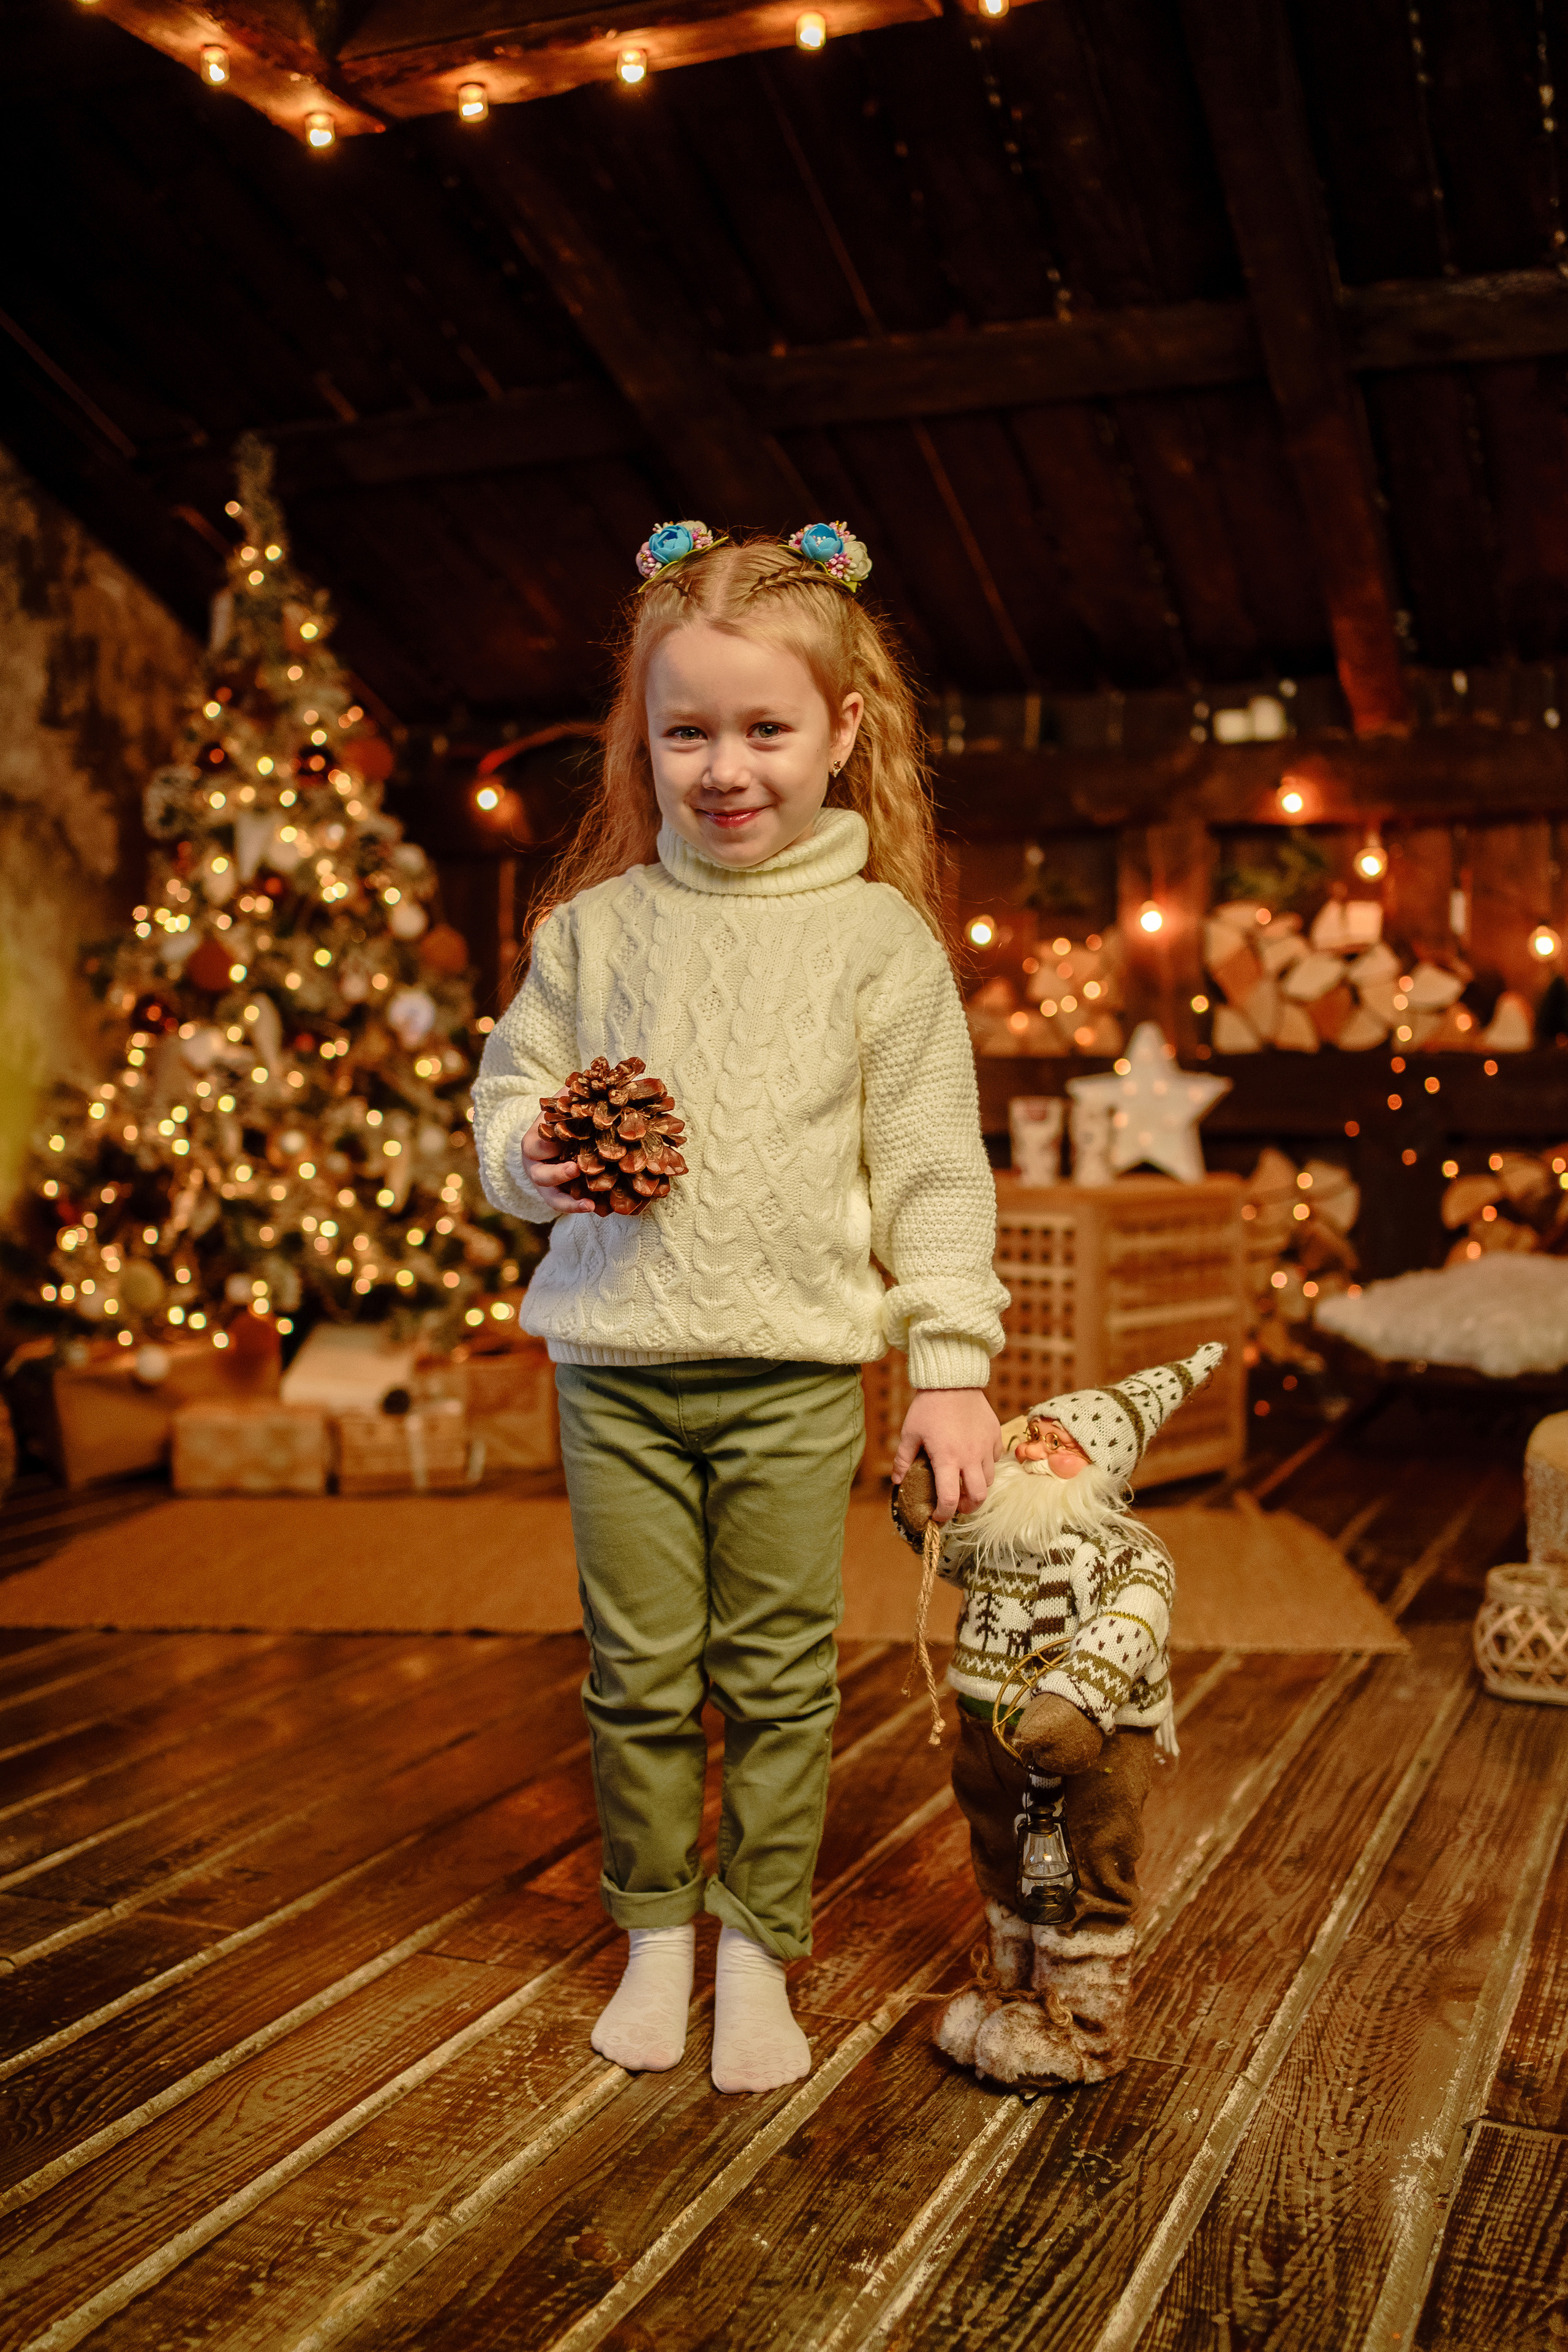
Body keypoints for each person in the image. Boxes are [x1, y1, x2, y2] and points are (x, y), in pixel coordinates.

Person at [472, 520, 1008, 2094]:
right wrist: (540, 1157)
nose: (723, 766)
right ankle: (653, 1928)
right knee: (638, 1669)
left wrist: (949, 1365)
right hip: (613, 1367)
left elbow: (930, 1168)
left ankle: (757, 1939)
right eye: (683, 729)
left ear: (841, 731)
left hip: (787, 1372)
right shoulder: (591, 931)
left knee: (774, 1673)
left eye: (763, 728)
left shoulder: (876, 943)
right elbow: (510, 1098)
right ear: (640, 735)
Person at [901, 1344, 1224, 2088]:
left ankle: (1082, 2028)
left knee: (1082, 1863)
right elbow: (947, 1561)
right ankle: (1013, 1994)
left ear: (1102, 1472)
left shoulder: (1122, 1552)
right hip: (989, 1734)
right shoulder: (1002, 1531)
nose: (1038, 1452)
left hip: (1087, 1743)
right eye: (1037, 1435)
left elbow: (1131, 1623)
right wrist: (924, 1513)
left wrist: (1076, 1703)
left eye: (1063, 1447)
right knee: (1000, 1852)